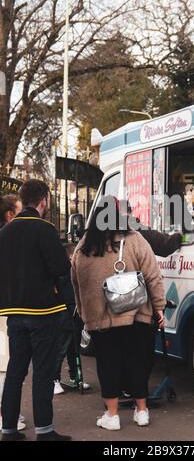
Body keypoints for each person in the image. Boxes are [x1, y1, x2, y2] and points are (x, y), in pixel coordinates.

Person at [71, 198, 166, 431]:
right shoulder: (134, 240)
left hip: (100, 317)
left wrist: (84, 311)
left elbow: (76, 281)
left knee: (107, 364)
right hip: (135, 314)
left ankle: (112, 416)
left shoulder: (83, 247)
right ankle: (142, 411)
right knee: (137, 361)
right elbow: (152, 274)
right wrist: (159, 306)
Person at [0, 180, 72, 442]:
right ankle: (44, 430)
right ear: (43, 201)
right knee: (43, 371)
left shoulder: (5, 232)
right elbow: (60, 268)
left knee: (16, 371)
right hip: (43, 310)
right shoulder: (45, 229)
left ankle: (8, 429)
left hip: (14, 311)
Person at [0, 195, 25, 432]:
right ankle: (7, 416)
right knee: (4, 363)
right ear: (10, 214)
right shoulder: (10, 237)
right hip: (6, 308)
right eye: (20, 210)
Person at [53, 243, 91, 395]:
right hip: (65, 311)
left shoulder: (76, 270)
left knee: (73, 347)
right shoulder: (62, 272)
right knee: (61, 347)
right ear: (71, 257)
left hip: (75, 311)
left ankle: (76, 376)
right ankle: (53, 379)